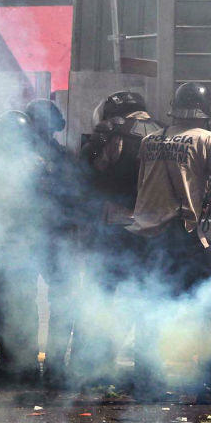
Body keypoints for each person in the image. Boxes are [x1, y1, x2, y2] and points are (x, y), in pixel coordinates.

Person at [126, 82, 211, 399]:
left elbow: (141, 187)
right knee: (207, 303)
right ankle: (207, 379)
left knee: (151, 304)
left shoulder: (150, 140)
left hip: (145, 233)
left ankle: (145, 380)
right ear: (207, 111)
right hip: (180, 232)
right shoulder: (206, 139)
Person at [74, 91, 163, 385]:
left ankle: (99, 368)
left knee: (105, 297)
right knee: (147, 298)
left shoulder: (116, 135)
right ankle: (146, 373)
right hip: (155, 230)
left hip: (117, 227)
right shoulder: (166, 133)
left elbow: (89, 174)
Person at [24, 98, 85, 389]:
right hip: (53, 237)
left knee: (25, 303)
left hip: (35, 238)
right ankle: (53, 369)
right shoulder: (63, 157)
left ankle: (29, 370)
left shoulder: (18, 158)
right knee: (58, 303)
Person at [0, 109, 42, 386]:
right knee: (10, 307)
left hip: (11, 247)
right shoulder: (33, 163)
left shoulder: (30, 165)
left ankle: (18, 366)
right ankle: (18, 366)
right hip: (7, 246)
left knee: (9, 307)